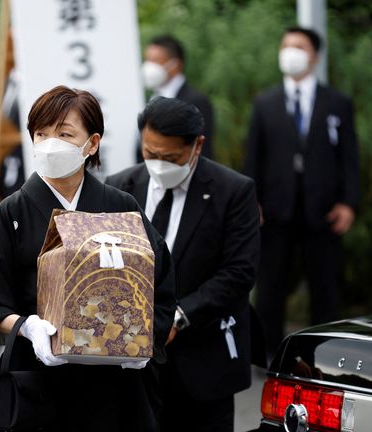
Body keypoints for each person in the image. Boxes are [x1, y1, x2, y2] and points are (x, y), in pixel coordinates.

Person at [0, 86, 176, 431]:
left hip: (110, 384)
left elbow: (158, 281)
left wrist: (143, 340)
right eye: (41, 134)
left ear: (92, 143)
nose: (50, 144)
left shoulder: (120, 206)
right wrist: (26, 327)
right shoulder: (13, 211)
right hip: (35, 377)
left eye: (64, 133)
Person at [106, 97, 259, 432]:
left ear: (197, 146)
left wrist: (178, 316)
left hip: (201, 360)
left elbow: (239, 272)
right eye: (150, 154)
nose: (159, 164)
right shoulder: (120, 188)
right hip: (132, 362)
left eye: (171, 157)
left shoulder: (232, 191)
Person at [244, 27, 359, 354]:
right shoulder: (265, 103)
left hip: (322, 211)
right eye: (286, 46)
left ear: (315, 55)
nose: (290, 52)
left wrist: (349, 203)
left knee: (324, 288)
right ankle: (267, 355)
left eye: (299, 46)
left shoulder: (337, 102)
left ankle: (326, 354)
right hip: (276, 210)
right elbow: (254, 158)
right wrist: (252, 202)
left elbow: (350, 157)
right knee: (270, 288)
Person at [141, 35, 214, 158]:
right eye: (147, 60)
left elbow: (201, 152)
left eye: (155, 60)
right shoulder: (151, 99)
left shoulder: (195, 101)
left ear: (175, 64)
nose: (149, 67)